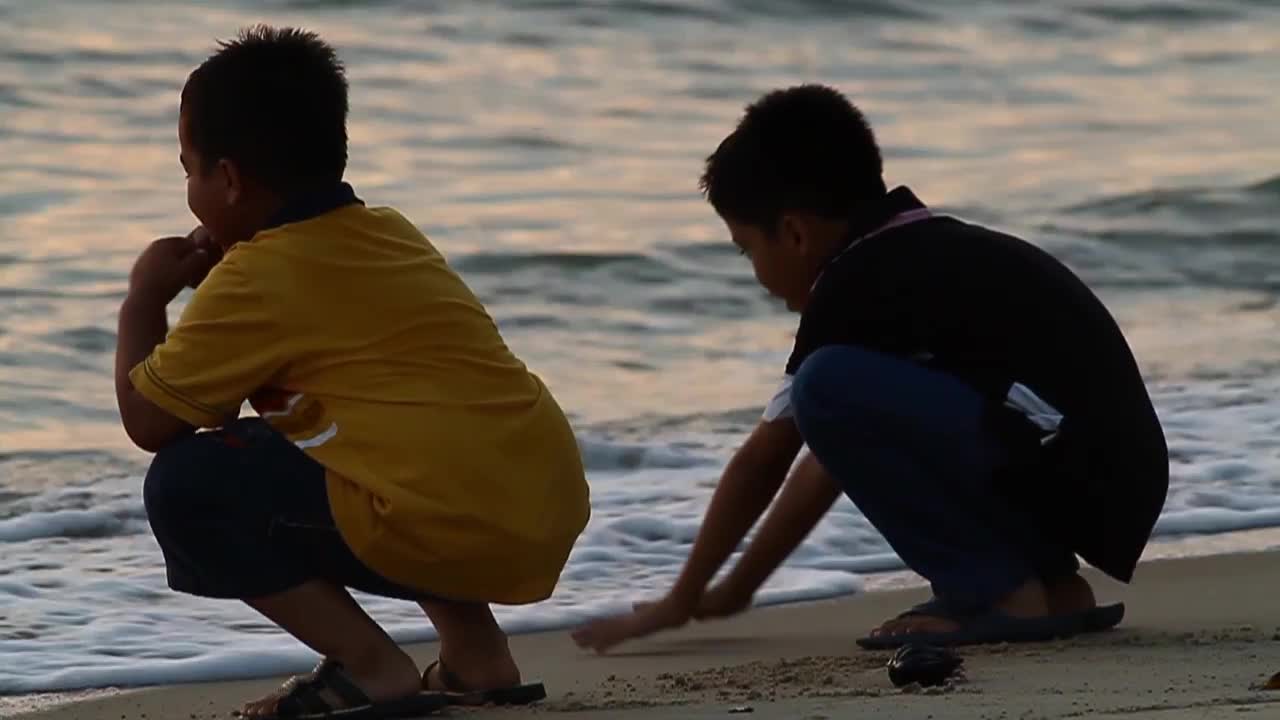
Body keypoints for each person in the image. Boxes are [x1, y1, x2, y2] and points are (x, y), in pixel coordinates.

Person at [572, 84, 1168, 654]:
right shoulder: (917, 252)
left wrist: (677, 601)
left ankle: (997, 592)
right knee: (835, 394)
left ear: (795, 232)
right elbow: (829, 458)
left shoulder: (855, 283)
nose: (754, 270)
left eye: (746, 248)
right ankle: (1052, 587)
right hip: (1107, 482)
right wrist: (731, 591)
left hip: (1076, 468)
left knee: (824, 384)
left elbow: (767, 458)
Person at [114, 25, 590, 719]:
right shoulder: (389, 231)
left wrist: (143, 300)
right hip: (537, 508)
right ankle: (477, 657)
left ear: (229, 179)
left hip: (447, 518)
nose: (188, 189)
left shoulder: (258, 275)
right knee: (383, 443)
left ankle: (371, 668)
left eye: (187, 169)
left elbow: (153, 423)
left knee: (187, 486)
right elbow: (221, 406)